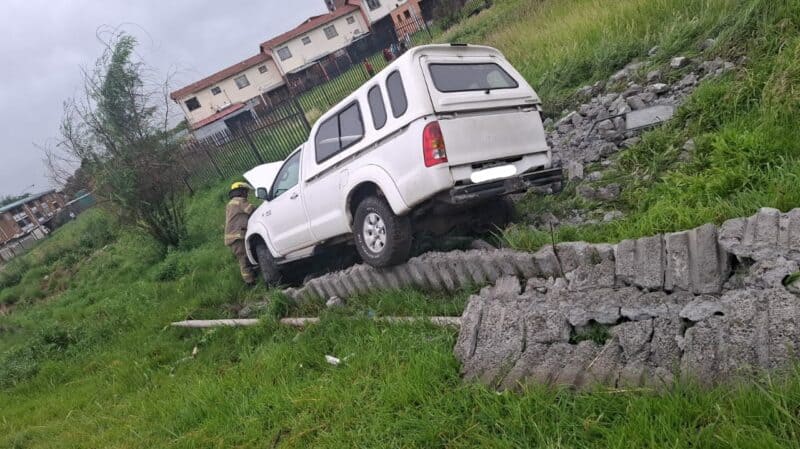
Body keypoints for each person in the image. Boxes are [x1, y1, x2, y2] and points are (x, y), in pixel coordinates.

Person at [225, 181, 257, 285]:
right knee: (244, 260)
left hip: (233, 238)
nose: (246, 194)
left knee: (244, 258)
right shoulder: (240, 201)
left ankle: (252, 278)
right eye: (245, 191)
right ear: (241, 191)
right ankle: (250, 283)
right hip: (237, 237)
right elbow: (251, 210)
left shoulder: (231, 203)